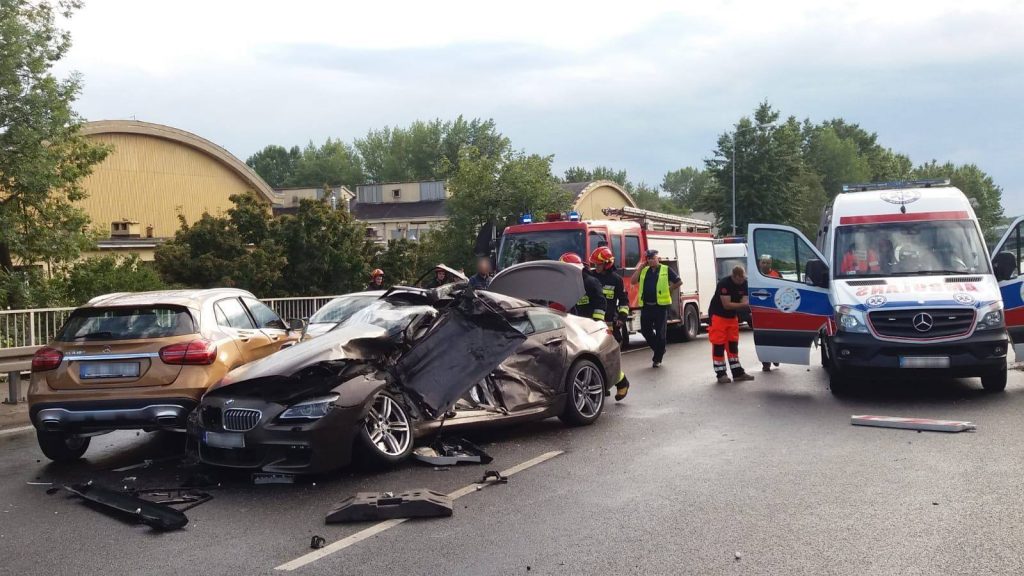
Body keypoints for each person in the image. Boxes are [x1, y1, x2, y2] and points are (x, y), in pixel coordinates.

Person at [590, 246, 631, 400]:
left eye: (598, 265)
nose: (596, 267)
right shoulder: (591, 277)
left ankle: (622, 383)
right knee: (595, 356)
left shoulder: (616, 280)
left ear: (607, 264)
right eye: (594, 265)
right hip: (593, 323)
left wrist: (622, 317)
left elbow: (624, 301)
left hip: (610, 323)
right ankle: (603, 385)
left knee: (608, 358)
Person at [630, 249, 681, 367]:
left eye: (653, 258)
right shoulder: (644, 271)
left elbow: (679, 282)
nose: (651, 260)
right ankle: (659, 349)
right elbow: (633, 281)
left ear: (658, 258)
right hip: (647, 306)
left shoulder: (665, 269)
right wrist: (640, 268)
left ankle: (657, 359)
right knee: (645, 330)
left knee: (660, 333)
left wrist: (670, 288)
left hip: (660, 307)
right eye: (649, 259)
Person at [708, 265, 755, 384]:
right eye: (739, 279)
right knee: (718, 345)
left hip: (732, 317)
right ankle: (721, 374)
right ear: (734, 276)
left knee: (733, 345)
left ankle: (737, 373)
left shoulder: (744, 283)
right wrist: (744, 305)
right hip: (718, 316)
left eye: (743, 278)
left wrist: (744, 304)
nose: (742, 281)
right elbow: (727, 305)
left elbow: (744, 300)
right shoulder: (724, 284)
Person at [558, 253, 606, 323]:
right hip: (570, 324)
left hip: (588, 325)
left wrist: (596, 322)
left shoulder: (590, 282)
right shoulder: (565, 283)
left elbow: (600, 303)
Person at [756, 255, 782, 372]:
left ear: (771, 264)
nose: (765, 265)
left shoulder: (777, 275)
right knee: (763, 338)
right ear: (759, 263)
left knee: (776, 337)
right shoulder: (755, 275)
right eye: (763, 262)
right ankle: (766, 363)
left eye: (767, 263)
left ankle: (776, 357)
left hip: (775, 312)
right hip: (761, 312)